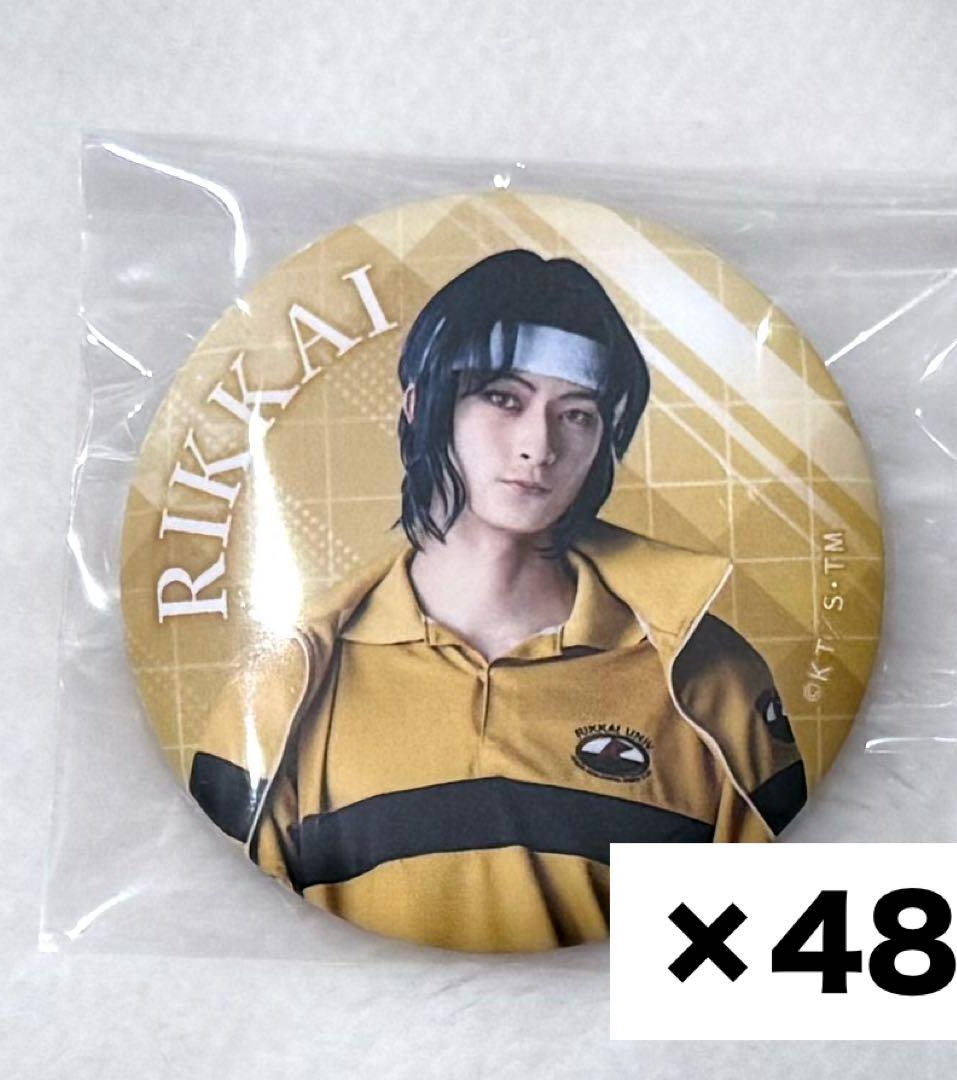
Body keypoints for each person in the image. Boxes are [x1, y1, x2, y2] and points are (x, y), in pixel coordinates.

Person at [188, 249, 807, 952]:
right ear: (421, 406)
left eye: (577, 414)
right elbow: (232, 957)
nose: (539, 446)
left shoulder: (707, 677)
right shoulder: (283, 687)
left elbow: (767, 954)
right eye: (504, 399)